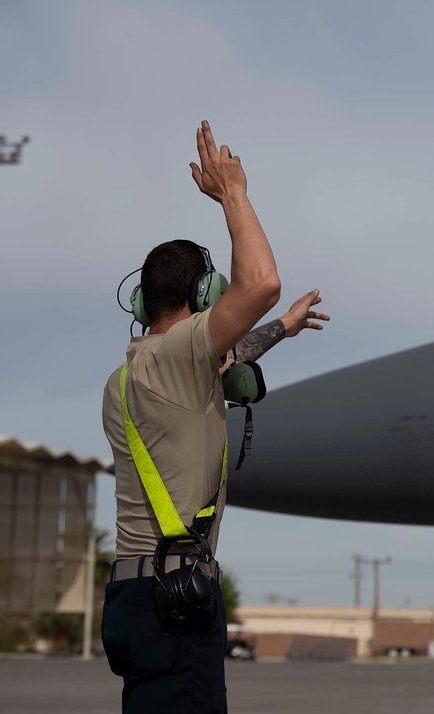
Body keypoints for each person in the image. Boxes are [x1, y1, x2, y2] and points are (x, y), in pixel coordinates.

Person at [101, 120, 328, 714]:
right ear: (205, 296)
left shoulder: (136, 373)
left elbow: (230, 354)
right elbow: (262, 283)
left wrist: (283, 329)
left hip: (136, 592)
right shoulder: (173, 360)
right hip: (170, 596)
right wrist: (234, 195)